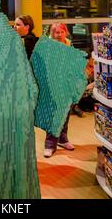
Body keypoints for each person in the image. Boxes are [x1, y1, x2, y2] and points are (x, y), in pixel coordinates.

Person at [44, 23, 75, 158]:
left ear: (66, 32)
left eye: (62, 32)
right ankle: (50, 145)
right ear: (52, 33)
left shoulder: (69, 44)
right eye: (56, 32)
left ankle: (63, 139)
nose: (59, 35)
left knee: (65, 113)